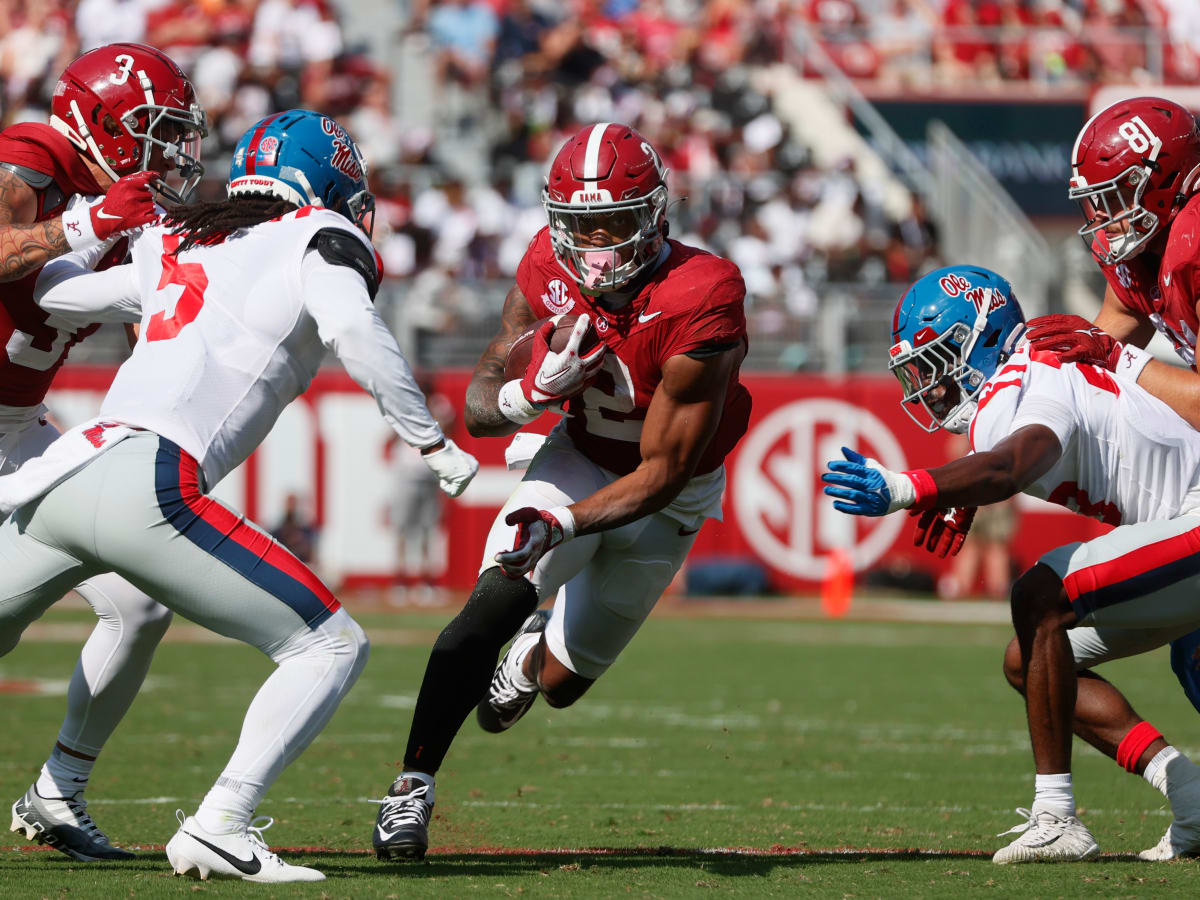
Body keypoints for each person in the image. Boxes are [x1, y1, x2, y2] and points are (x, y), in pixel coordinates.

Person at [0, 109, 478, 882]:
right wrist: (428, 438)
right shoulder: (319, 235)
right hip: (146, 485)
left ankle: (64, 792)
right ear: (326, 181)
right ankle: (221, 823)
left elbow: (57, 297)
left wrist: (86, 229)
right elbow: (356, 332)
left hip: (62, 475)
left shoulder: (177, 236)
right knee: (330, 644)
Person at [372, 122, 753, 861]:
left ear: (654, 214)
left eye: (613, 222)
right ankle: (411, 786)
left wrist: (564, 525)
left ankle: (527, 658)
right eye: (580, 226)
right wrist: (525, 396)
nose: (597, 245)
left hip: (672, 494)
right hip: (577, 455)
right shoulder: (548, 262)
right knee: (495, 593)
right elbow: (483, 402)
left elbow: (662, 472)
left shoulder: (703, 293)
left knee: (564, 685)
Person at [822, 264, 1200, 864]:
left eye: (937, 359)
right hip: (1180, 528)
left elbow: (1020, 459)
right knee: (1033, 660)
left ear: (985, 337)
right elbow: (1005, 456)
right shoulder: (1031, 371)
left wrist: (908, 487)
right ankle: (1190, 791)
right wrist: (965, 488)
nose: (927, 384)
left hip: (1195, 519)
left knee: (1039, 596)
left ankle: (1057, 816)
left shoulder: (1021, 380)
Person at [0, 42, 207, 862]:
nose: (164, 149)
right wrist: (85, 221)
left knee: (140, 602)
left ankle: (58, 794)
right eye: (150, 130)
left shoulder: (128, 202)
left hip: (19, 429)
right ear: (95, 119)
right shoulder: (36, 154)